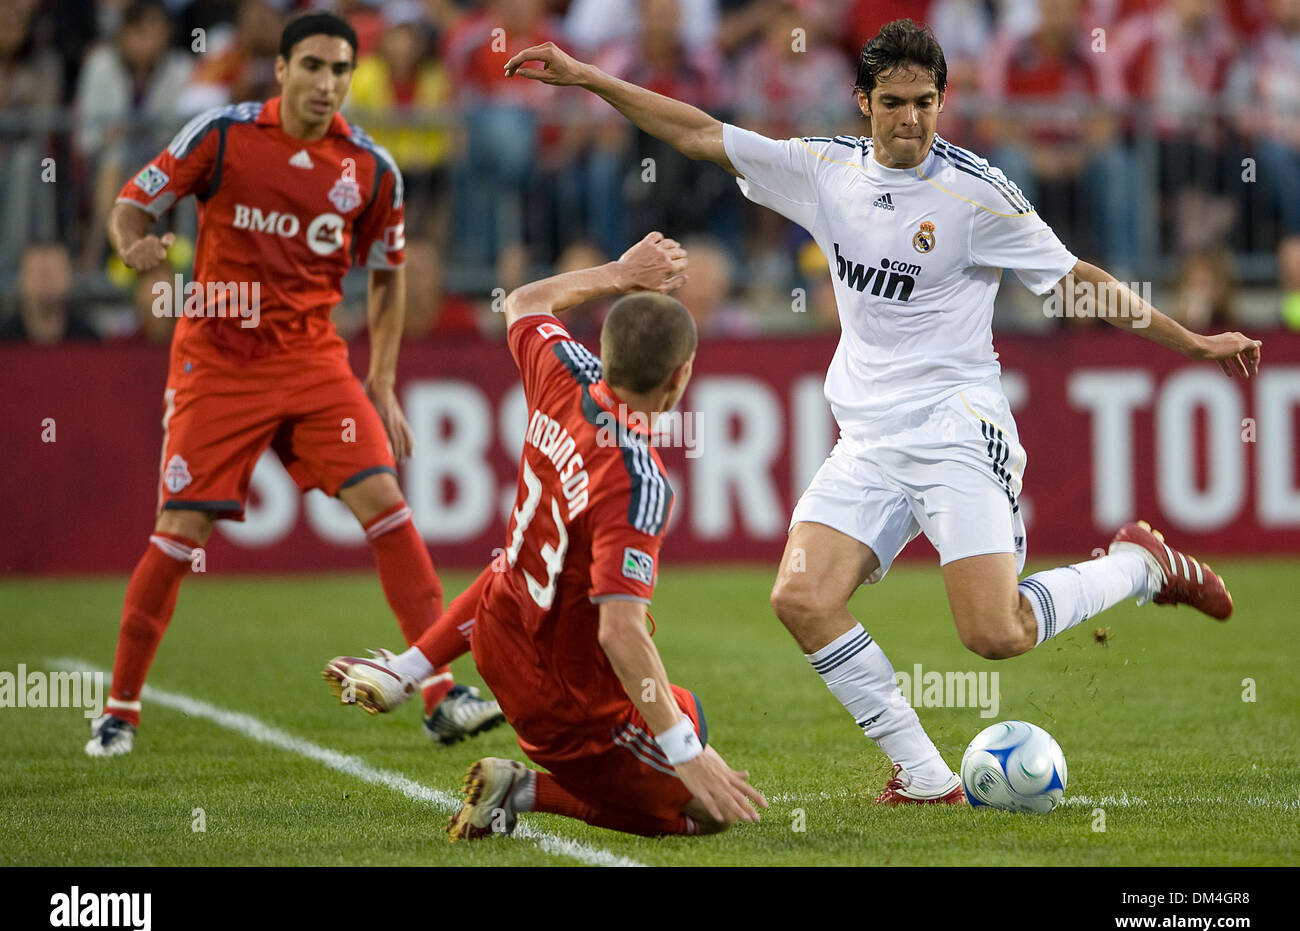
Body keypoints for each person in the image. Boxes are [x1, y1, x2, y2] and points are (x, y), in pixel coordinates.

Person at [501, 18, 1262, 804]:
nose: (911, 119)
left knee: (993, 634)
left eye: (926, 103)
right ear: (862, 102)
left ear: (943, 101)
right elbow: (697, 132)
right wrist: (592, 78)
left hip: (956, 427)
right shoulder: (824, 171)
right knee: (800, 598)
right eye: (894, 102)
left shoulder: (976, 194)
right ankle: (927, 777)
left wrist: (1193, 342)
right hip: (866, 436)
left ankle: (1139, 566)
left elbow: (1079, 280)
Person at [87, 12, 502, 758]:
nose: (327, 83)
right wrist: (134, 248)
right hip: (215, 360)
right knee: (181, 534)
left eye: (341, 70)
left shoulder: (371, 168)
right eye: (312, 66)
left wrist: (380, 379)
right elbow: (132, 200)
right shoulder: (221, 134)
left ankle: (439, 694)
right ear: (280, 70)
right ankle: (119, 709)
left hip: (313, 362)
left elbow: (388, 273)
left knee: (385, 504)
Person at [323, 232, 769, 837]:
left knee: (519, 563)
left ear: (604, 351)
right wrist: (684, 750)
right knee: (710, 806)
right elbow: (619, 630)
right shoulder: (637, 479)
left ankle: (407, 670)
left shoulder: (567, 374)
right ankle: (529, 790)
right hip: (567, 708)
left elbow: (525, 303)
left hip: (497, 641)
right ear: (680, 377)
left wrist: (617, 272)